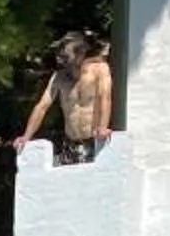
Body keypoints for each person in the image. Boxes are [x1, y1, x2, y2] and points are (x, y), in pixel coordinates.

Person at [18, 33, 113, 164]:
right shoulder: (59, 77)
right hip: (70, 143)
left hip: (94, 140)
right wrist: (26, 136)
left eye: (65, 57)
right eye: (59, 56)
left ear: (80, 54)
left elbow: (105, 97)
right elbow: (42, 107)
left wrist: (103, 127)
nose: (60, 60)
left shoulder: (99, 70)